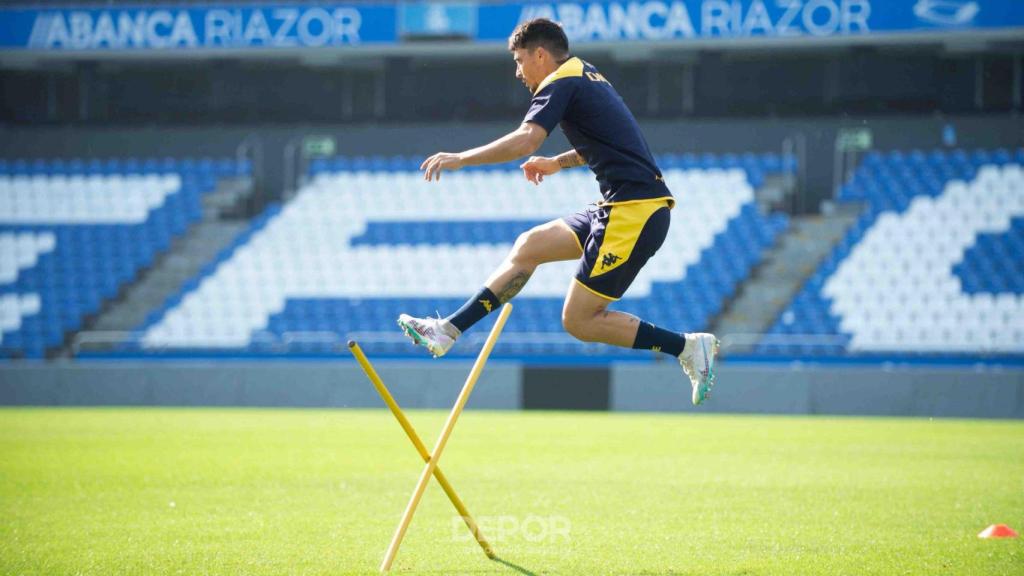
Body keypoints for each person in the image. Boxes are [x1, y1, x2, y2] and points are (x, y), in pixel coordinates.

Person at [398, 18, 719, 405]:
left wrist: (460, 159)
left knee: (578, 321)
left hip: (634, 212)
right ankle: (447, 330)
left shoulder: (560, 82)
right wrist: (556, 163)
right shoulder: (585, 74)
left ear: (540, 54)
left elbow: (525, 140)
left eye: (519, 61)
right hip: (620, 206)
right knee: (530, 245)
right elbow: (603, 143)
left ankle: (686, 347)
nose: (518, 72)